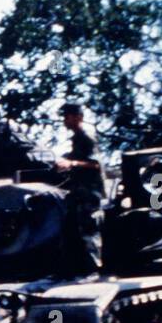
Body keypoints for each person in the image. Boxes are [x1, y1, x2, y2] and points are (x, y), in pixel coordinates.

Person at [54, 102, 104, 274]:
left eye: (67, 116)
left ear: (78, 117)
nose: (64, 120)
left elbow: (95, 164)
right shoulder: (77, 138)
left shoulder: (85, 136)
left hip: (89, 192)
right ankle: (68, 271)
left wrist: (71, 163)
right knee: (68, 229)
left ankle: (93, 270)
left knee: (88, 230)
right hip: (78, 192)